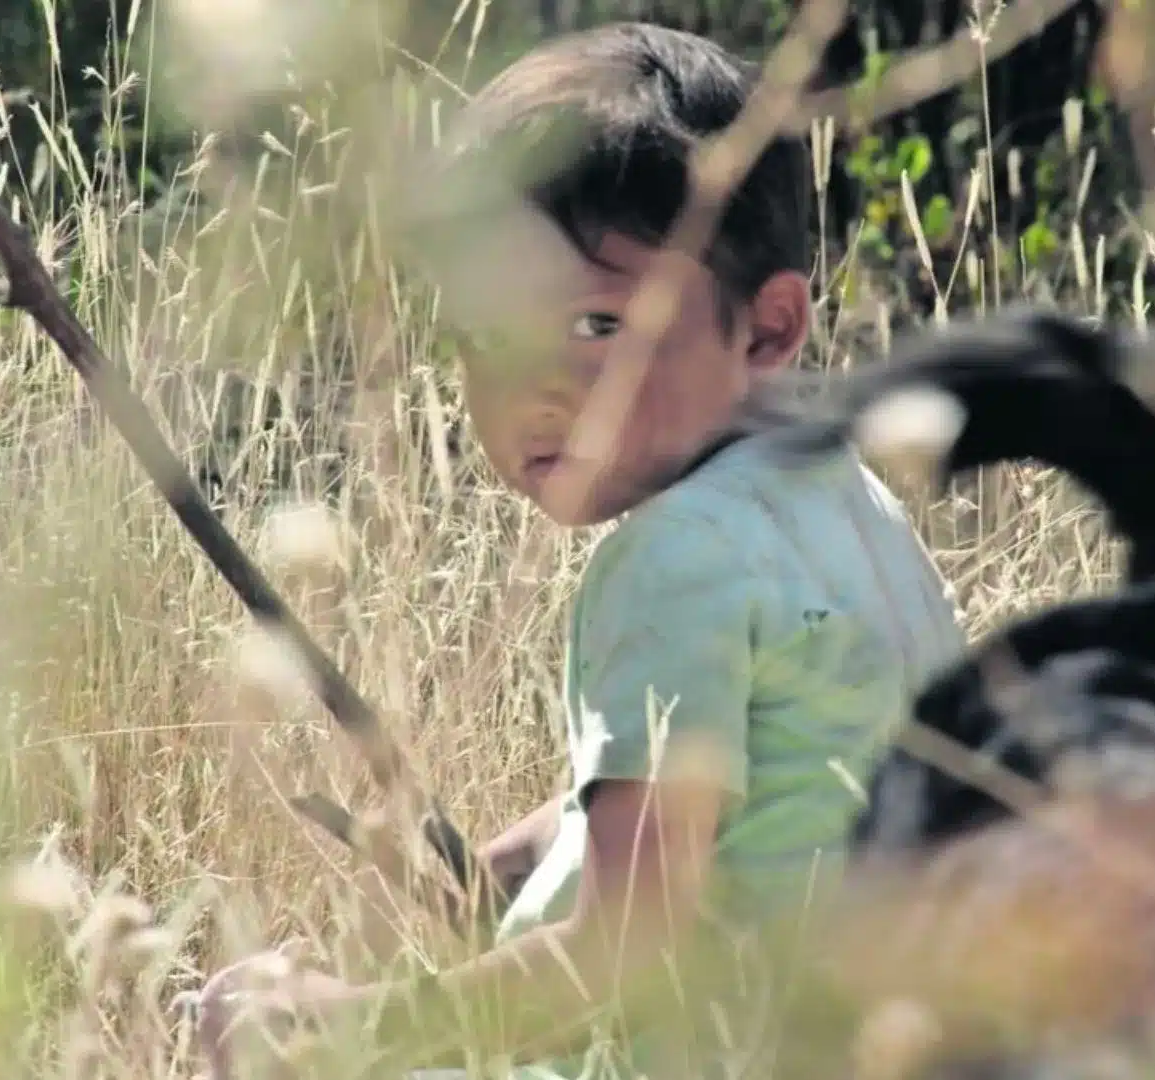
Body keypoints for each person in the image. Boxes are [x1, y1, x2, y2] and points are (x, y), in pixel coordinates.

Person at [195, 20, 968, 1080]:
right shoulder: (840, 497)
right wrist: (499, 872)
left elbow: (629, 950)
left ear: (768, 329)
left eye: (600, 327)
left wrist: (347, 1027)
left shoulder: (677, 555)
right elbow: (726, 783)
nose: (533, 387)